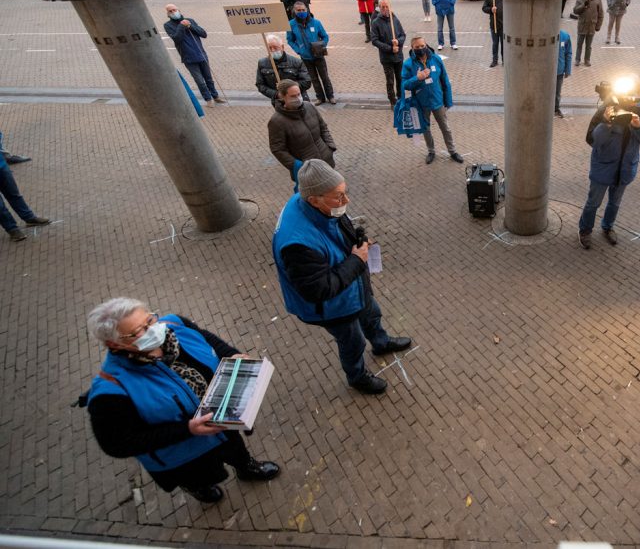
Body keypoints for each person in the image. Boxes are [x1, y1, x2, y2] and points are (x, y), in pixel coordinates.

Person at [86, 297, 280, 504]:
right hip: (184, 451)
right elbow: (117, 444)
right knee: (199, 474)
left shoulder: (175, 324)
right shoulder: (110, 392)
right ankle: (199, 488)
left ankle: (245, 467)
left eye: (150, 320)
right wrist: (187, 429)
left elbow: (206, 339)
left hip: (220, 419)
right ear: (113, 343)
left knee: (235, 448)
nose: (151, 330)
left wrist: (232, 355)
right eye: (136, 333)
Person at [273, 160, 413, 394]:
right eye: (338, 197)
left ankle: (380, 342)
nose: (346, 201)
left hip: (352, 287)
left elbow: (338, 223)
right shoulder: (296, 243)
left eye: (345, 193)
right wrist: (358, 260)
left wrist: (357, 240)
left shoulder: (318, 203)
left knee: (371, 313)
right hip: (331, 306)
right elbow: (319, 289)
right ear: (313, 200)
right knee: (352, 341)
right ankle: (357, 377)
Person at [578, 80, 640, 249]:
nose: (629, 98)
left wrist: (639, 127)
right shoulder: (607, 107)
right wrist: (606, 124)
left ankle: (607, 227)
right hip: (604, 168)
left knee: (614, 203)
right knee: (593, 203)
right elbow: (592, 140)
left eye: (632, 95)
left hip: (625, 168)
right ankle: (585, 230)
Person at [401, 35, 464, 164]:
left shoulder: (435, 59)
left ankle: (452, 151)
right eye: (417, 47)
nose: (420, 49)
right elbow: (404, 85)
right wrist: (417, 78)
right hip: (421, 103)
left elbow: (444, 80)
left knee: (445, 127)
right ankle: (431, 151)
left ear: (426, 45)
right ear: (412, 48)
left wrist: (448, 100)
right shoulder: (408, 64)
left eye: (422, 46)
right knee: (425, 128)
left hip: (437, 101)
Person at [268, 79, 337, 185]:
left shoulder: (309, 107)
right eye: (293, 96)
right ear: (282, 96)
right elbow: (277, 149)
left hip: (326, 162)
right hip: (308, 171)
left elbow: (323, 127)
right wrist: (299, 166)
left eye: (299, 94)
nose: (298, 98)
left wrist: (330, 146)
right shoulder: (276, 121)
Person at [163, 4, 224, 106]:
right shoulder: (168, 25)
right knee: (200, 81)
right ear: (168, 14)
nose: (173, 12)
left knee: (208, 78)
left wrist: (190, 26)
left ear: (179, 10)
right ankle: (208, 99)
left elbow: (203, 34)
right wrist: (181, 26)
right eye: (170, 11)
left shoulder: (190, 20)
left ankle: (215, 96)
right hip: (188, 58)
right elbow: (177, 38)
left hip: (201, 55)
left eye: (175, 10)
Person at [0, 131, 49, 242]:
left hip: (2, 167)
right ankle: (12, 229)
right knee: (0, 207)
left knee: (14, 194)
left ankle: (29, 217)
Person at [286, 1, 334, 105]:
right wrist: (299, 50)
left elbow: (325, 36)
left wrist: (321, 46)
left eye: (303, 10)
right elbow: (290, 40)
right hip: (306, 57)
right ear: (295, 11)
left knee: (324, 77)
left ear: (307, 10)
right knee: (313, 78)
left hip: (319, 55)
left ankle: (330, 96)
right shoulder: (291, 24)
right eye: (299, 10)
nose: (301, 12)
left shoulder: (316, 22)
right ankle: (320, 98)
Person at [369, 0, 406, 108]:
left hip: (398, 56)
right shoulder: (376, 23)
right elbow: (374, 41)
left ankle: (401, 98)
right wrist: (390, 48)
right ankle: (392, 101)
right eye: (383, 7)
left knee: (400, 78)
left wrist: (398, 42)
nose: (385, 9)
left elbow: (403, 35)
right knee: (390, 80)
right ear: (379, 8)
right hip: (386, 58)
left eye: (387, 6)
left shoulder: (395, 19)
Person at [256, 35, 311, 102]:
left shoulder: (296, 62)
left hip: (298, 99)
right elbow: (260, 85)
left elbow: (306, 82)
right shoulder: (262, 63)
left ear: (282, 47)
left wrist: (288, 89)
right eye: (269, 48)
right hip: (278, 101)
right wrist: (276, 94)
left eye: (275, 48)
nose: (272, 50)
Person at [572, 0, 603, 67]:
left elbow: (601, 14)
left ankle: (587, 59)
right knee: (579, 44)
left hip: (591, 27)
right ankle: (577, 59)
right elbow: (575, 11)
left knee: (588, 46)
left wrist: (598, 26)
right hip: (582, 26)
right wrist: (583, 5)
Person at [555, 29, 572, 118]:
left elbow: (568, 53)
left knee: (557, 92)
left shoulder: (565, 36)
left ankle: (556, 109)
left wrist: (567, 70)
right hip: (547, 72)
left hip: (559, 71)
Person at [482, 0, 503, 68]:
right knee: (495, 44)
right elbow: (484, 8)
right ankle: (495, 60)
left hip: (504, 25)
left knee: (503, 44)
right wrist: (491, 9)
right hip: (494, 25)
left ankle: (504, 60)